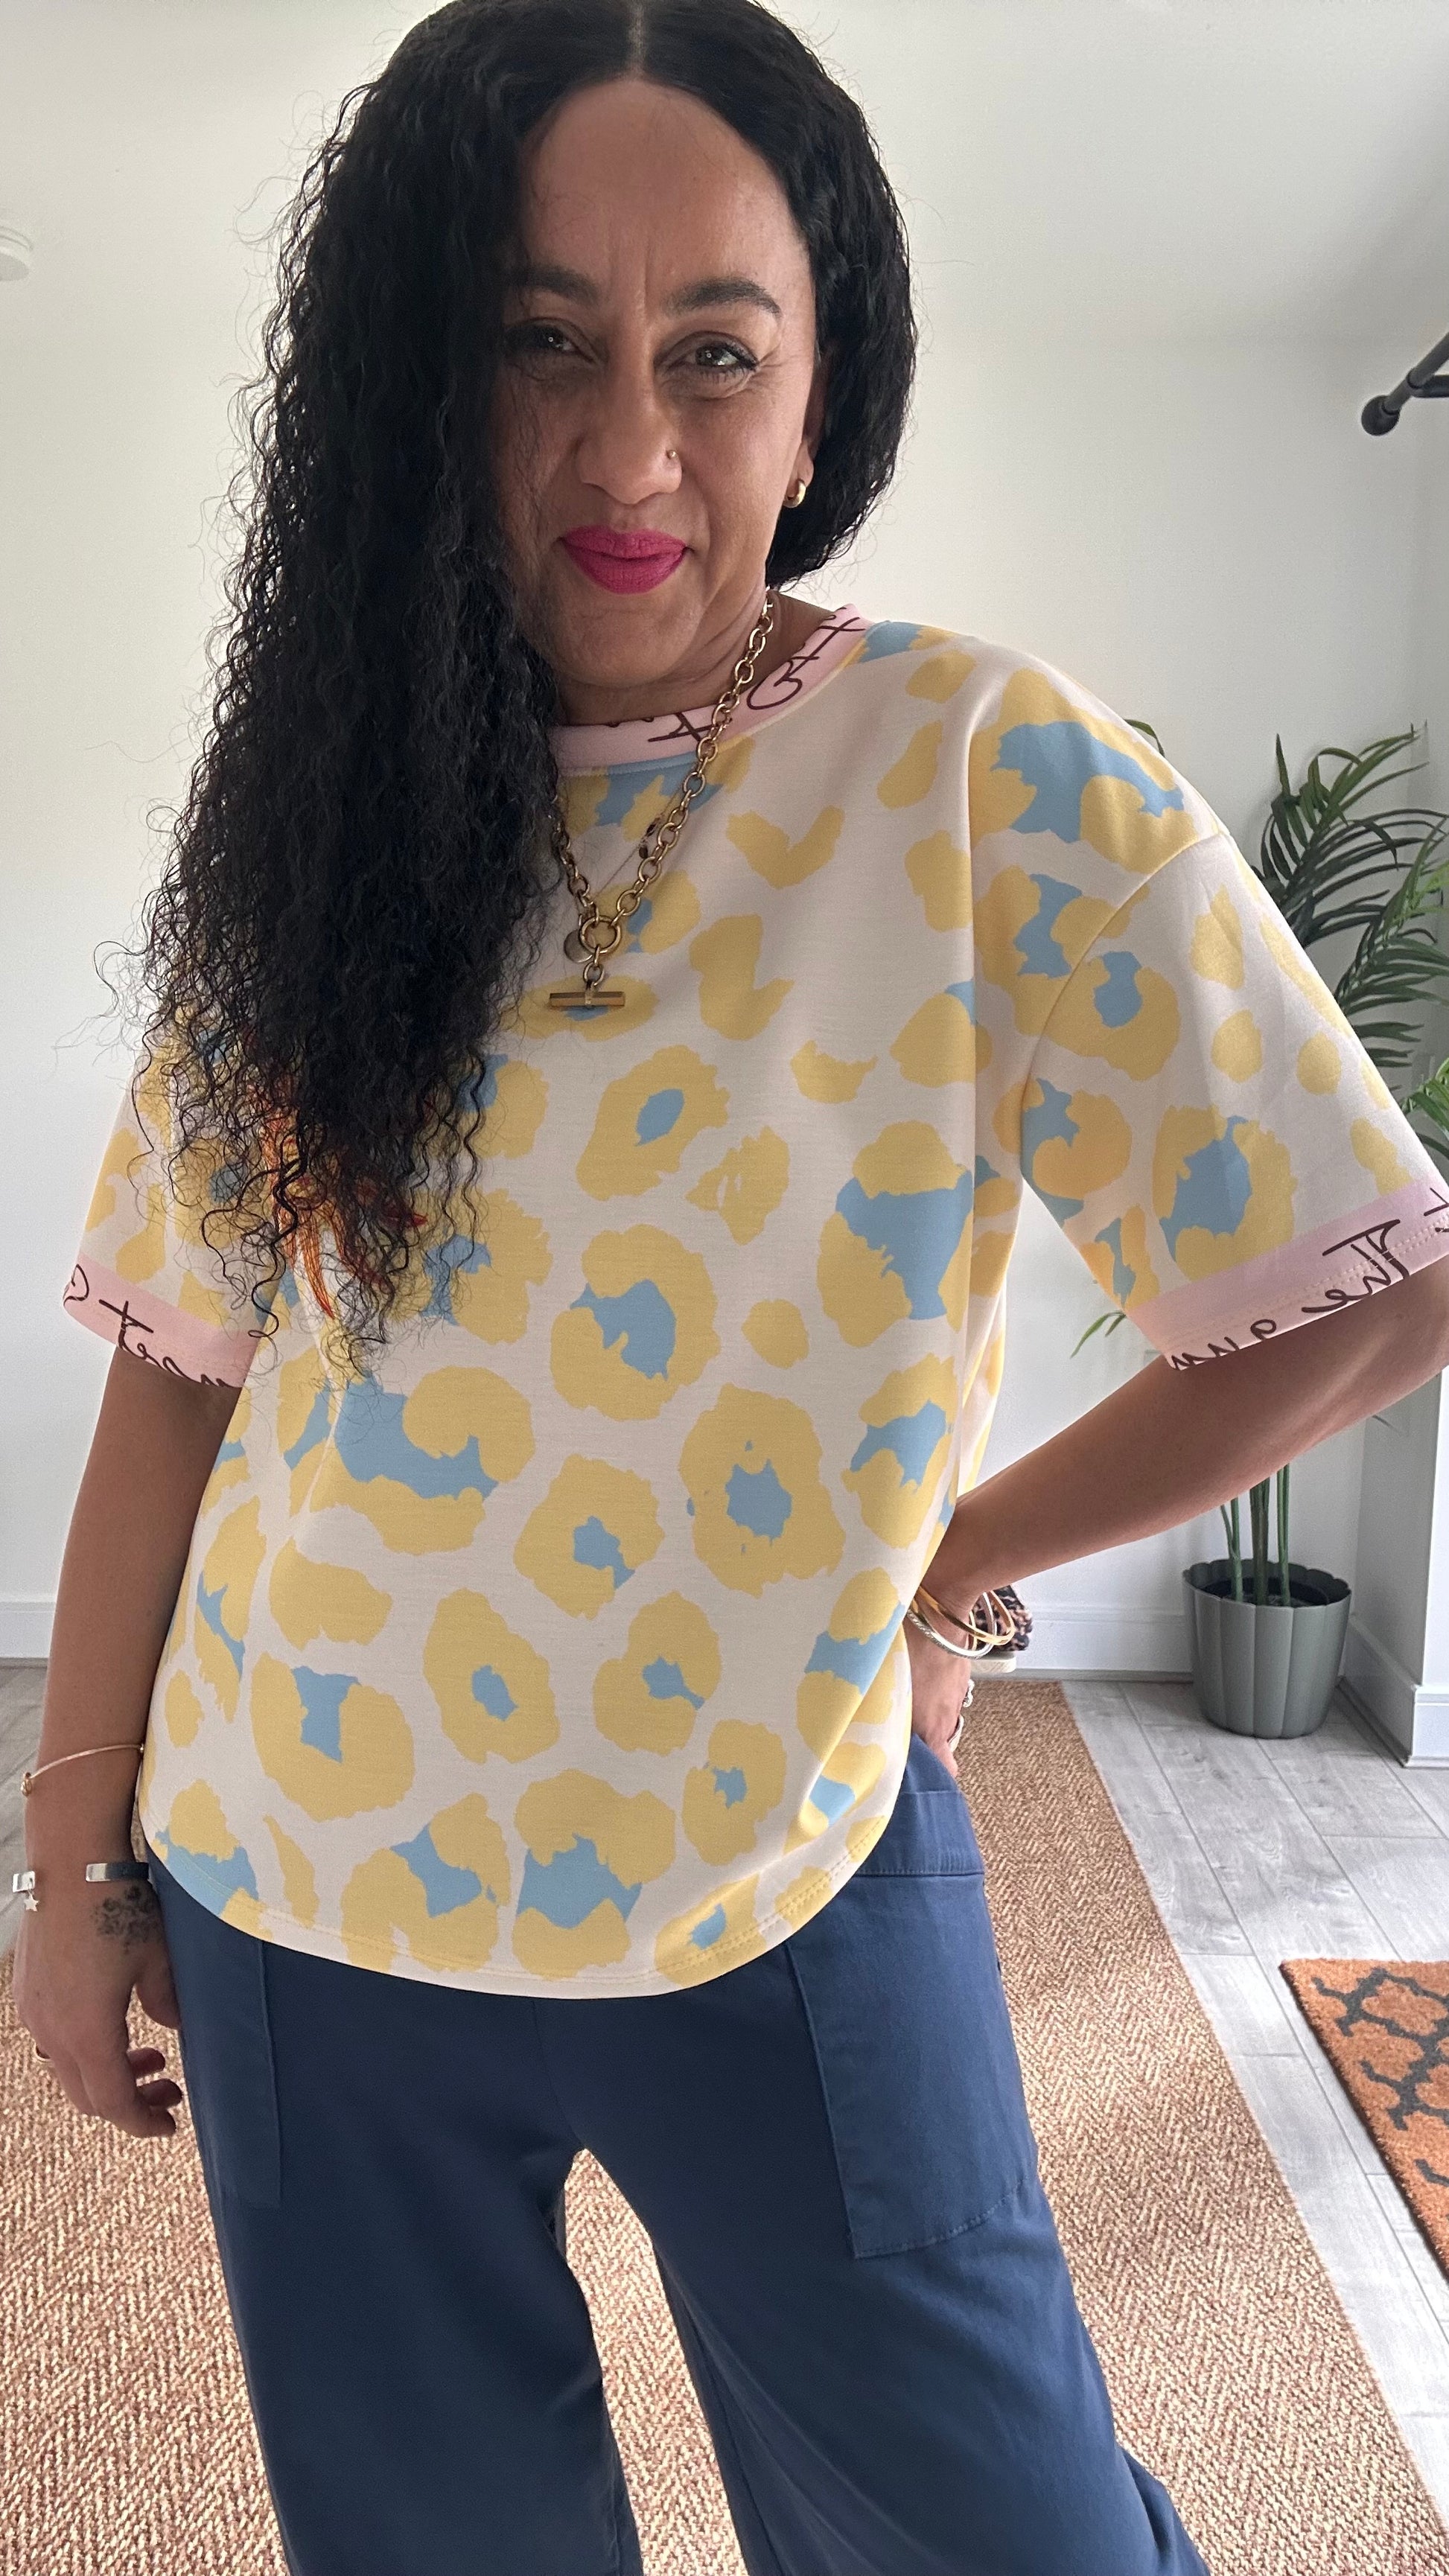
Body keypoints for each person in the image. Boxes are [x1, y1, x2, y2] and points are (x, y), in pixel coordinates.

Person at [16, 3, 1449, 2571]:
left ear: (821, 390)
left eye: (710, 353)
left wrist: (951, 1557)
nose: (626, 452)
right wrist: (67, 1859)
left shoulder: (979, 776)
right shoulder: (314, 808)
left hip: (778, 1871)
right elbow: (181, 1378)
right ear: (420, 383)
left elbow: (1362, 1286)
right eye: (537, 344)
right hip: (302, 1888)